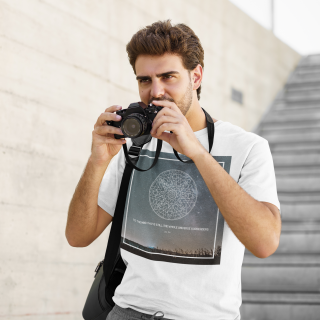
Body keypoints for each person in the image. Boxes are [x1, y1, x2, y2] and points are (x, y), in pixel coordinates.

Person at [66, 20, 281, 320]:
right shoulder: (136, 145)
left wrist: (196, 151)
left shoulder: (247, 147)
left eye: (168, 76)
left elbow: (265, 243)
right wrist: (97, 160)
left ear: (196, 76)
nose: (156, 92)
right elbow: (78, 236)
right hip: (127, 311)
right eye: (144, 80)